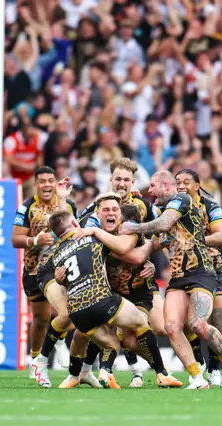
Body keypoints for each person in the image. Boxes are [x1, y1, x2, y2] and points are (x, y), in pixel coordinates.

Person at [120, 170, 222, 389]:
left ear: (166, 186)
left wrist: (134, 228)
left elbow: (164, 224)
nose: (150, 192)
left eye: (153, 187)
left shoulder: (181, 200)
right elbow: (155, 236)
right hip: (177, 276)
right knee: (172, 326)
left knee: (198, 324)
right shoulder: (164, 209)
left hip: (200, 271)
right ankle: (196, 377)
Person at [45, 204, 176, 390]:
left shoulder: (56, 253)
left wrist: (60, 280)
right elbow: (126, 251)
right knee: (140, 323)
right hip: (102, 299)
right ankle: (162, 374)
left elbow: (67, 275)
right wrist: (150, 245)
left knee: (105, 341)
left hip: (77, 311)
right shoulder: (93, 238)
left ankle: (77, 375)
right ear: (76, 222)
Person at [78, 158, 165, 387]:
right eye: (118, 179)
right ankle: (97, 371)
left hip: (139, 280)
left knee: (161, 328)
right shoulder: (97, 207)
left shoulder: (143, 206)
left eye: (127, 179)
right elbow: (79, 233)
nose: (122, 183)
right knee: (111, 329)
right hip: (107, 282)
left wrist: (150, 260)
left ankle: (187, 367)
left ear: (133, 182)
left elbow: (159, 233)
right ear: (110, 180)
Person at [11, 167, 77, 378]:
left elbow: (76, 232)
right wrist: (36, 241)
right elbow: (15, 239)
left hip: (61, 269)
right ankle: (36, 359)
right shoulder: (27, 207)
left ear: (56, 182)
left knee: (62, 312)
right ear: (35, 184)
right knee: (40, 318)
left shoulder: (68, 205)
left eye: (50, 180)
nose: (47, 185)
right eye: (42, 181)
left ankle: (59, 342)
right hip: (33, 270)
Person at [176, 169, 222, 386]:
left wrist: (194, 240)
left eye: (186, 182)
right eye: (178, 182)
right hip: (186, 271)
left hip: (214, 269)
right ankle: (199, 364)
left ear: (197, 185)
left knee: (219, 322)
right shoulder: (174, 207)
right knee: (191, 322)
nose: (181, 186)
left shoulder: (211, 207)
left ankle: (215, 368)